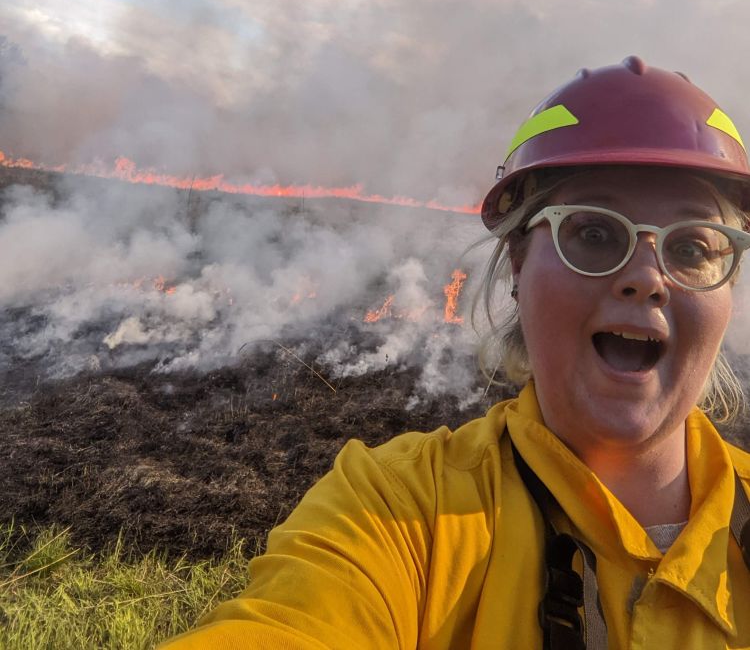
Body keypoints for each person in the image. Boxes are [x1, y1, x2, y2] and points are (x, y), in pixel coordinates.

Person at [159, 56, 750, 650]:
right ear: (518, 262)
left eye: (695, 246)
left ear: (730, 284)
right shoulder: (400, 512)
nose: (646, 277)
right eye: (593, 233)